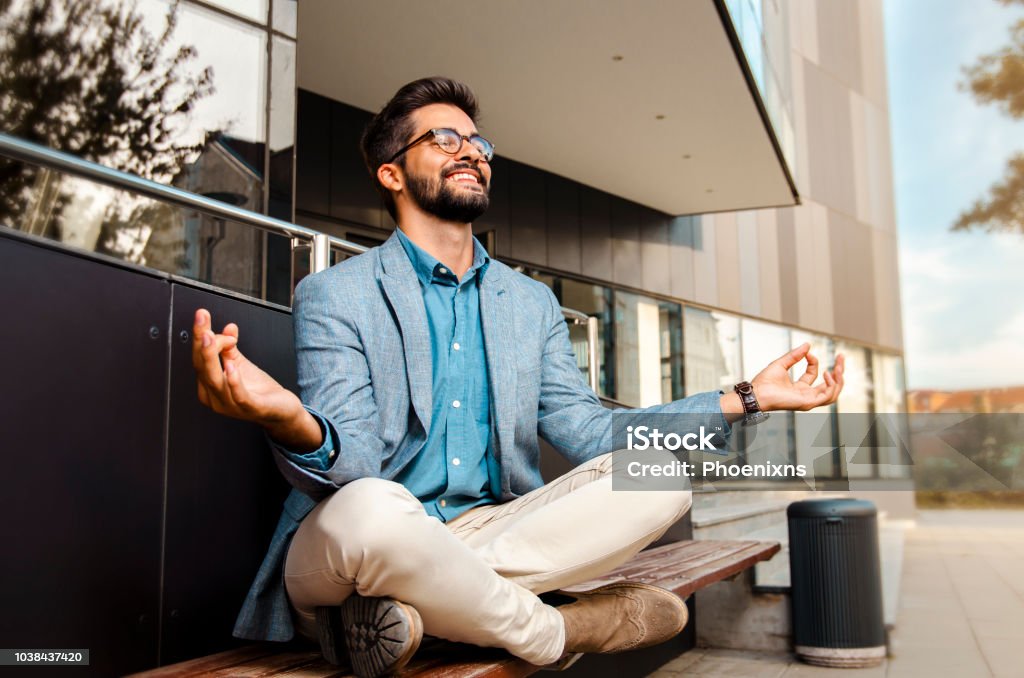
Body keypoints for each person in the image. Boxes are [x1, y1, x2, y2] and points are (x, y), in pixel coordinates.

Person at [191, 77, 845, 677]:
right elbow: (355, 463)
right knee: (373, 506)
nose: (471, 151)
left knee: (660, 474)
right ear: (390, 173)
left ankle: (427, 614)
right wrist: (286, 416)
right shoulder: (337, 293)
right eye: (444, 138)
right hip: (358, 546)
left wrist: (745, 397)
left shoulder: (529, 304)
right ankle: (554, 630)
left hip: (494, 530)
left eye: (478, 142)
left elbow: (590, 433)